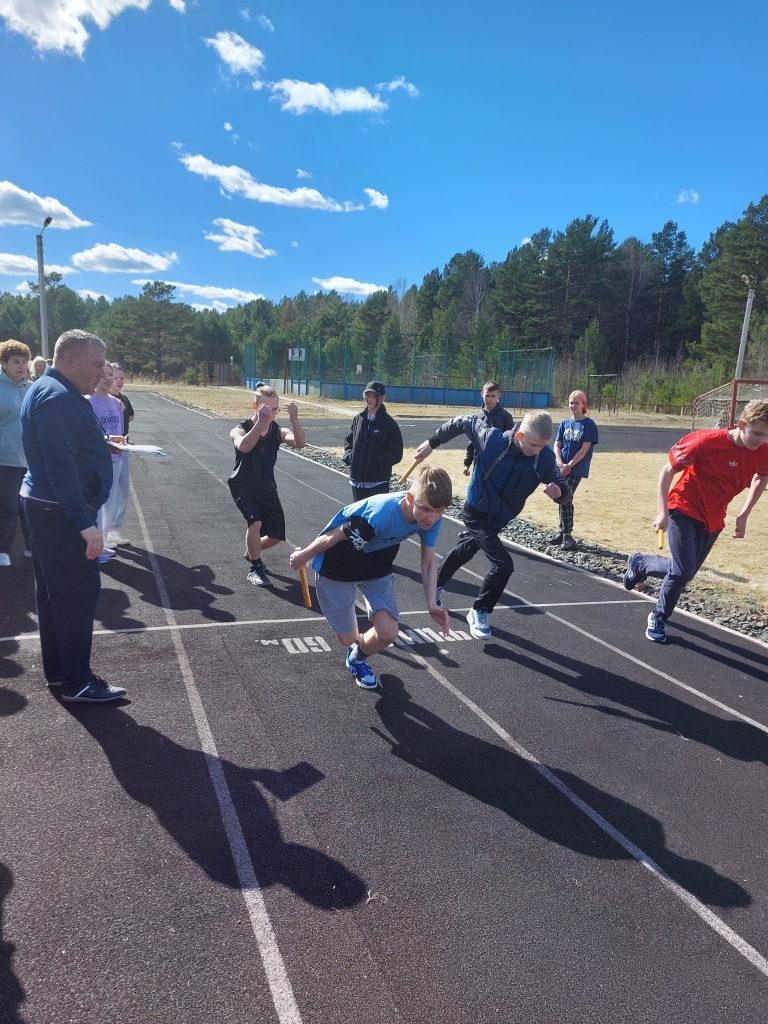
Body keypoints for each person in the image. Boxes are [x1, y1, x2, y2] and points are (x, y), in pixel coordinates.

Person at [20, 329, 127, 702]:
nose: (102, 373)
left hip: (50, 506)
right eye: (96, 364)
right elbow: (60, 466)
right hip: (60, 511)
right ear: (70, 361)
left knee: (54, 596)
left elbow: (66, 450)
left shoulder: (53, 390)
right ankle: (77, 682)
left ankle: (61, 674)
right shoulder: (58, 398)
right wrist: (85, 524)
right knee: (77, 594)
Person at [290, 465, 452, 689]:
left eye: (440, 511)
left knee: (388, 632)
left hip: (377, 565)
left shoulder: (431, 515)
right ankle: (351, 644)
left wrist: (432, 603)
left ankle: (356, 658)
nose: (432, 518)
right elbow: (335, 536)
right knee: (347, 638)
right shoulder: (380, 514)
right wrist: (304, 556)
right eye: (426, 509)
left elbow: (428, 562)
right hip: (338, 565)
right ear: (409, 497)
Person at [414, 410, 570, 640]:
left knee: (466, 549)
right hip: (476, 511)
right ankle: (479, 610)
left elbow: (563, 489)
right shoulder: (492, 440)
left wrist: (560, 493)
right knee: (503, 565)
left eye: (542, 446)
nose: (537, 450)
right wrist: (432, 442)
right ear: (519, 436)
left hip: (500, 518)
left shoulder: (544, 457)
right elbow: (463, 420)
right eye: (534, 444)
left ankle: (435, 584)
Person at [624, 399, 768, 643]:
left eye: (767, 436)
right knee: (682, 572)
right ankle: (659, 615)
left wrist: (744, 514)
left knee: (685, 573)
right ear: (742, 424)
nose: (761, 440)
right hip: (683, 507)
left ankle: (641, 564)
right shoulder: (706, 441)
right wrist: (662, 512)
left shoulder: (764, 450)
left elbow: (761, 477)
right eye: (757, 433)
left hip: (714, 517)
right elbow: (667, 471)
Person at [229, 384, 305, 587]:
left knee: (276, 535)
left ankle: (251, 551)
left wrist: (295, 420)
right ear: (255, 406)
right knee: (255, 523)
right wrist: (259, 424)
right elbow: (244, 446)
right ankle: (255, 567)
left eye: (274, 409)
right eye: (265, 409)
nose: (271, 414)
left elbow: (299, 443)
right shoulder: (240, 429)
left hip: (266, 487)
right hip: (242, 485)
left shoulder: (278, 431)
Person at [550, 390, 599, 551]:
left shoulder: (589, 425)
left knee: (565, 497)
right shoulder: (565, 423)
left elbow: (584, 449)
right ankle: (562, 532)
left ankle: (568, 535)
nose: (573, 405)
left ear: (583, 405)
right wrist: (560, 463)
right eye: (571, 402)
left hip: (576, 468)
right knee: (560, 496)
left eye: (577, 403)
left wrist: (569, 465)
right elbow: (557, 445)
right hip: (562, 467)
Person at [88, 363, 126, 564]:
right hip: (98, 460)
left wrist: (122, 442)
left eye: (111, 374)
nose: (108, 378)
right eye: (105, 374)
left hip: (116, 458)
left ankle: (102, 539)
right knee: (98, 501)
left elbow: (119, 429)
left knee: (112, 500)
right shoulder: (87, 401)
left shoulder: (117, 403)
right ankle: (95, 544)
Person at [0, 340, 33, 566]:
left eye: (24, 361)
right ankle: (3, 550)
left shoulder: (32, 388)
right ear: (3, 363)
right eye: (16, 362)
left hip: (31, 459)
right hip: (6, 458)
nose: (22, 366)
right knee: (9, 505)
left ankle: (32, 548)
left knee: (31, 505)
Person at [343, 381, 403, 502]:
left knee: (375, 520)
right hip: (357, 480)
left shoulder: (388, 423)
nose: (369, 399)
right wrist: (350, 457)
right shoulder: (358, 418)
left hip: (378, 482)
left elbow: (396, 453)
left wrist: (377, 463)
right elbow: (348, 442)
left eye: (374, 396)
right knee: (357, 518)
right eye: (368, 395)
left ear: (382, 398)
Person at [106, 362, 134, 546]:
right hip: (107, 448)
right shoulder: (102, 399)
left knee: (123, 488)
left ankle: (114, 528)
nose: (118, 381)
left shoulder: (123, 399)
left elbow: (130, 417)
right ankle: (105, 529)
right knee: (109, 490)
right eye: (115, 377)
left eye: (122, 378)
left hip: (123, 447)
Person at [463, 381, 514, 477]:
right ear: (482, 394)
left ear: (498, 395)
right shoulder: (476, 418)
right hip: (479, 463)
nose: (489, 399)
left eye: (493, 396)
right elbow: (472, 442)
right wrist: (467, 463)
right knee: (477, 491)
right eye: (487, 395)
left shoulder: (506, 417)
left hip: (498, 465)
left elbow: (510, 443)